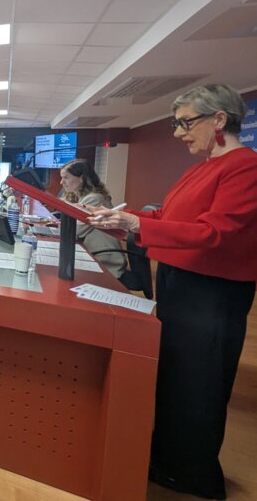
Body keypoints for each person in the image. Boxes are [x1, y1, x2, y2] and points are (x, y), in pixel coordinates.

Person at [89, 83, 257, 500]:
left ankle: (192, 475)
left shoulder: (245, 167)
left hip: (211, 293)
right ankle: (167, 463)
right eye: (176, 124)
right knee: (175, 377)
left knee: (198, 382)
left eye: (186, 123)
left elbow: (215, 232)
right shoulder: (201, 166)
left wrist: (135, 227)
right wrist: (122, 217)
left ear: (219, 120)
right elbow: (166, 216)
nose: (179, 134)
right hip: (180, 281)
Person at [58, 159, 126, 279]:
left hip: (105, 259)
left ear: (82, 178)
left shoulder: (94, 199)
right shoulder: (81, 198)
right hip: (91, 252)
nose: (61, 182)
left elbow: (75, 231)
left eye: (66, 177)